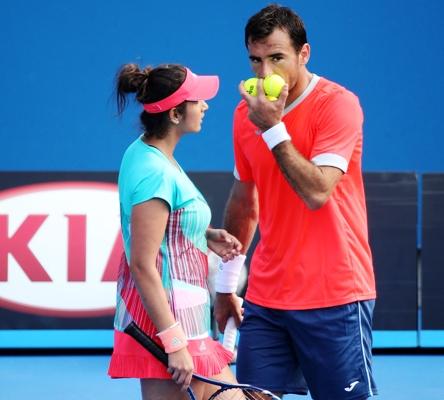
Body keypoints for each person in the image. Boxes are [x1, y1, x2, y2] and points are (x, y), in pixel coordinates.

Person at [214, 4, 378, 400]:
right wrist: (225, 287)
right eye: (256, 60)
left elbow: (317, 192)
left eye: (276, 58)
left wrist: (272, 129)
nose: (265, 73)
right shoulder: (245, 114)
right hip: (267, 298)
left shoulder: (337, 105)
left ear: (304, 54)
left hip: (335, 294)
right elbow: (244, 202)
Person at [107, 63, 242, 400]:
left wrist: (205, 234)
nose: (206, 106)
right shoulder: (154, 171)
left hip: (180, 322)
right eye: (198, 100)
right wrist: (174, 342)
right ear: (176, 115)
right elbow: (142, 263)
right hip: (168, 328)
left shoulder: (146, 151)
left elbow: (163, 224)